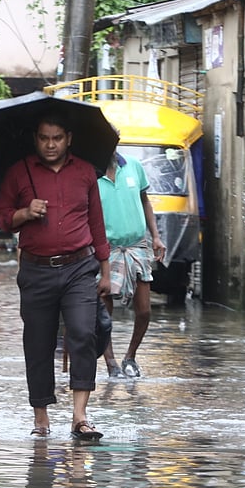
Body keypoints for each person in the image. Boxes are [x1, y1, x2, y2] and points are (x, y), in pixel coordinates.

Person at [0, 112, 111, 441]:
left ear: (68, 138)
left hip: (79, 268)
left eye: (56, 138)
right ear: (36, 139)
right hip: (35, 270)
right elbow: (0, 218)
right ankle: (41, 416)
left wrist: (105, 270)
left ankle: (80, 416)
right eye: (44, 138)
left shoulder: (86, 172)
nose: (50, 144)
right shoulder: (20, 173)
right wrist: (24, 213)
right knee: (38, 343)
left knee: (84, 333)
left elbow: (97, 224)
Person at [98, 152, 165, 378]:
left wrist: (156, 236)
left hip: (137, 246)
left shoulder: (133, 166)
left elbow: (145, 201)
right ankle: (111, 363)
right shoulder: (91, 174)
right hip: (105, 250)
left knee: (144, 310)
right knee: (103, 313)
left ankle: (131, 356)